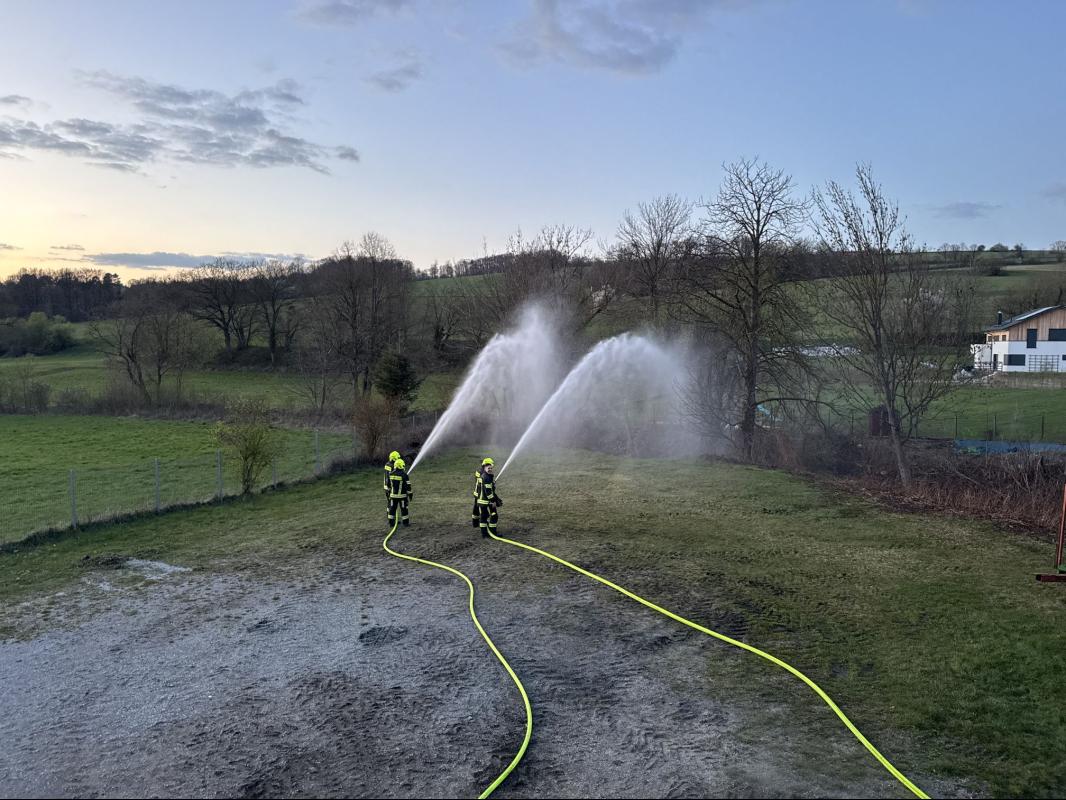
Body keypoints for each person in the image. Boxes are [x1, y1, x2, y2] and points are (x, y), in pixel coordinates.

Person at [471, 457, 502, 538]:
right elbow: (488, 492)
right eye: (489, 468)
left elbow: (485, 486)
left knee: (483, 517)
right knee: (494, 515)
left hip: (480, 500)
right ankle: (493, 532)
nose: (490, 469)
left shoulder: (483, 475)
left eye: (491, 468)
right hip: (486, 500)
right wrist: (493, 501)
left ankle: (484, 534)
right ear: (484, 467)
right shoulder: (487, 477)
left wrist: (492, 483)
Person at [387, 457, 413, 529]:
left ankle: (391, 523)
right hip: (402, 497)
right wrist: (410, 495)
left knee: (392, 509)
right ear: (401, 465)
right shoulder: (404, 475)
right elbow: (408, 486)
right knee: (404, 509)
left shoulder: (390, 474)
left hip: (393, 496)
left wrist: (389, 493)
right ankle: (405, 523)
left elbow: (388, 485)